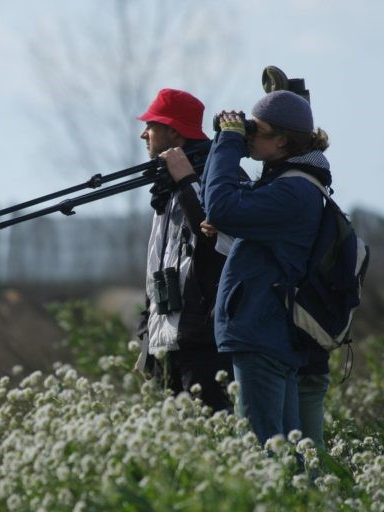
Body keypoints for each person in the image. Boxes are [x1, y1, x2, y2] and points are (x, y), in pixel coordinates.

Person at [198, 90, 331, 444]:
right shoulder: (288, 184)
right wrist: (224, 143)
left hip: (262, 332)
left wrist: (229, 140)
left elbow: (220, 208)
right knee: (284, 448)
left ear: (282, 140)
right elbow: (212, 201)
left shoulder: (293, 192)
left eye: (257, 129)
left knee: (265, 448)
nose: (249, 134)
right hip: (267, 331)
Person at [133, 88, 235, 412]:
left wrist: (187, 181)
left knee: (213, 440)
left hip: (203, 345)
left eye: (151, 124)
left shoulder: (213, 180)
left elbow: (218, 241)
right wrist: (146, 335)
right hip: (169, 344)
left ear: (174, 131)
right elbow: (158, 266)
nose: (143, 133)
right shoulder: (168, 188)